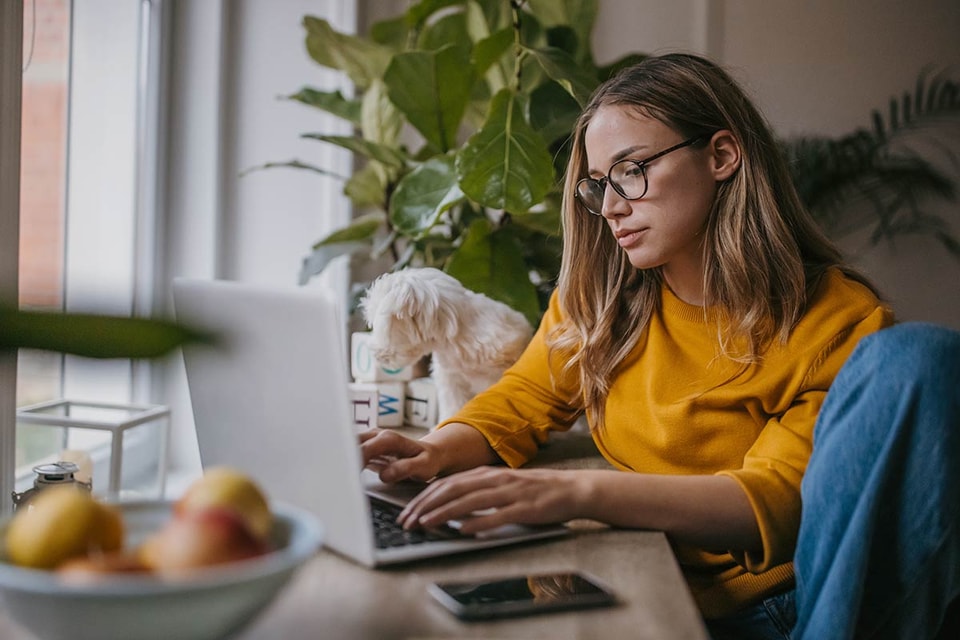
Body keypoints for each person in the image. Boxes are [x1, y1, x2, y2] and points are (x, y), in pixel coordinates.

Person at [360, 52, 960, 639]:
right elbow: (525, 396)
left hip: (785, 607)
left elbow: (774, 502)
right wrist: (433, 451)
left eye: (632, 169)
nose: (613, 207)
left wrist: (569, 492)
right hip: (649, 582)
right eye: (599, 185)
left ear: (722, 155)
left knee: (923, 358)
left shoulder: (837, 321)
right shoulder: (604, 298)